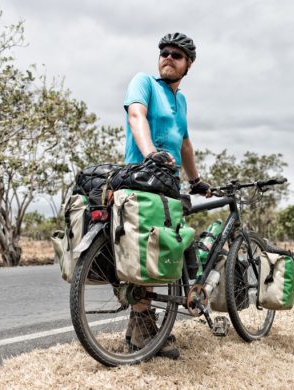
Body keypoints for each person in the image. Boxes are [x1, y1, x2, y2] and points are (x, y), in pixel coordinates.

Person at [123, 32, 210, 360]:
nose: (168, 57)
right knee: (151, 252)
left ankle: (141, 329)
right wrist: (150, 154)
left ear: (188, 65)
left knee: (172, 248)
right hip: (143, 178)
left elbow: (185, 143)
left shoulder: (182, 101)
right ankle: (146, 329)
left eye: (176, 54)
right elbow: (136, 116)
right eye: (164, 52)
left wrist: (197, 180)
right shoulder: (143, 82)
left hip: (170, 185)